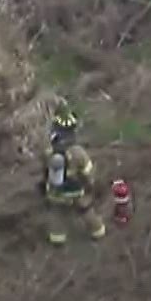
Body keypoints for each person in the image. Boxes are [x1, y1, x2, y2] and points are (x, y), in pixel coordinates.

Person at [39, 103, 106, 245]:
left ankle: (57, 239)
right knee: (86, 211)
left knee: (57, 216)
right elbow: (88, 172)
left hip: (55, 192)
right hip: (76, 191)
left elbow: (44, 169)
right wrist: (91, 185)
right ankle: (97, 231)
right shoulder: (78, 152)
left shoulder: (49, 151)